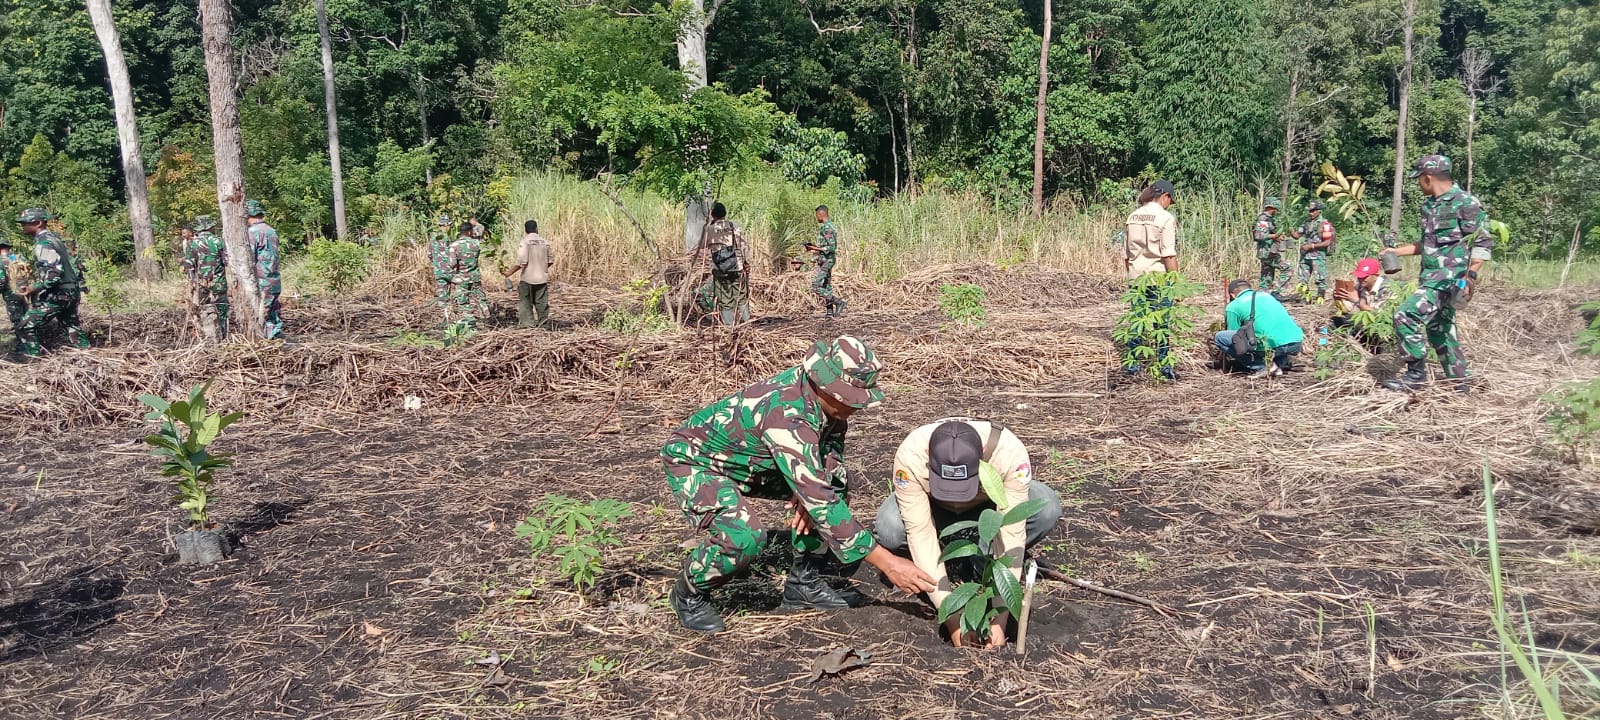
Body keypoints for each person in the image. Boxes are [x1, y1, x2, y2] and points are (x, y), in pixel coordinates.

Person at [662, 336, 936, 633]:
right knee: (743, 535)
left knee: (835, 485)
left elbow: (829, 457)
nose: (854, 407)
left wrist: (808, 491)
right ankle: (689, 593)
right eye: (848, 397)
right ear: (825, 384)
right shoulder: (787, 414)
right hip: (696, 460)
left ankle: (804, 583)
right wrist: (889, 563)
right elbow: (822, 501)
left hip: (756, 462)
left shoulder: (828, 405)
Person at [872, 418, 1062, 648]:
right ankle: (955, 552)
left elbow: (1012, 533)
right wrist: (953, 621)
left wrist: (1000, 620)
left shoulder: (1009, 452)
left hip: (987, 510)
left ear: (982, 456)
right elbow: (920, 533)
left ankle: (978, 550)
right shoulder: (911, 454)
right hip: (935, 511)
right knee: (889, 527)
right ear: (928, 456)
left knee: (1046, 507)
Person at [1382, 154, 1493, 392]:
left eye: (1419, 179)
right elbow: (1426, 244)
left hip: (1450, 280)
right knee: (1440, 330)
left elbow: (1483, 243)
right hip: (1430, 277)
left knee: (1405, 314)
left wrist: (1470, 277)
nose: (1419, 184)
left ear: (1428, 177)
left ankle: (1415, 375)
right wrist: (1395, 251)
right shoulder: (1429, 205)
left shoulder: (1467, 203)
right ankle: (1460, 381)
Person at [1122, 179, 1180, 379]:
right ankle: (1164, 367)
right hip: (1159, 278)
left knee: (1137, 320)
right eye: (1169, 200)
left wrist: (1130, 274)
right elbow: (1169, 255)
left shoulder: (1133, 216)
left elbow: (1127, 254)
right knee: (1162, 323)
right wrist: (1176, 284)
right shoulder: (1165, 218)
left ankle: (1132, 365)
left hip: (1136, 276)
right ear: (1165, 196)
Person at [13, 208, 89, 358]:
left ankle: (33, 362)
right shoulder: (55, 239)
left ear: (38, 223)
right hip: (71, 292)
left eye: (25, 223)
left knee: (24, 326)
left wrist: (32, 288)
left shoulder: (44, 243)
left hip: (58, 295)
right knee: (72, 328)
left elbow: (54, 273)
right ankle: (87, 358)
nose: (23, 226)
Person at [1215, 279, 1305, 378]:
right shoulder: (1267, 296)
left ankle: (1263, 366)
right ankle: (1281, 363)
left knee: (1220, 337)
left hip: (1272, 345)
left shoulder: (1233, 306)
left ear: (1232, 295)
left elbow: (1235, 337)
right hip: (1295, 342)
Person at [696, 202, 750, 326]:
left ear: (712, 215)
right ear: (725, 213)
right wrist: (747, 262)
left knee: (725, 300)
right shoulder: (734, 226)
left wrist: (710, 228)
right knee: (741, 298)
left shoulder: (709, 229)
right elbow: (744, 246)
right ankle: (747, 324)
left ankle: (729, 327)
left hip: (720, 270)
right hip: (737, 267)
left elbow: (702, 245)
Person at [183, 215, 229, 341]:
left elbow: (189, 266)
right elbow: (227, 261)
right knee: (222, 310)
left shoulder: (192, 243)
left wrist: (192, 283)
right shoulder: (219, 241)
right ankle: (223, 336)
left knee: (204, 309)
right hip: (219, 281)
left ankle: (211, 338)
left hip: (202, 283)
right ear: (211, 227)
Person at [502, 219, 554, 328]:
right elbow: (550, 261)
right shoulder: (545, 242)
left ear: (525, 230)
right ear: (536, 229)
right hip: (541, 278)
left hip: (527, 278)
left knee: (526, 302)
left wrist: (509, 273)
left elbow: (522, 262)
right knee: (542, 302)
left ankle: (527, 324)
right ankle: (543, 323)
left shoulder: (524, 242)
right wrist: (541, 268)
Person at [245, 200, 284, 339]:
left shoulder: (252, 233)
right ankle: (276, 334)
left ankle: (267, 340)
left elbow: (249, 258)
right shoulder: (271, 230)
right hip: (274, 278)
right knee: (273, 309)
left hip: (261, 279)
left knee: (262, 313)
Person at [1291, 200, 1336, 299]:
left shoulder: (1325, 224)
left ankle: (1320, 297)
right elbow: (1297, 236)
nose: (1310, 213)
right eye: (1309, 211)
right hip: (1305, 255)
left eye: (1313, 211)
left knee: (1320, 278)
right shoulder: (1306, 222)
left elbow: (1327, 242)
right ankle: (1304, 297)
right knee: (1302, 278)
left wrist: (1312, 246)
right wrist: (1289, 228)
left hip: (1318, 256)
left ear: (1319, 211)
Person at [808, 205, 847, 317]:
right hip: (826, 259)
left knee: (815, 285)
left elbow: (832, 247)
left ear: (821, 214)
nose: (816, 217)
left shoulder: (827, 228)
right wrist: (815, 249)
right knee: (826, 286)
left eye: (816, 215)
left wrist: (815, 248)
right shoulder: (830, 226)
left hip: (827, 261)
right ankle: (829, 312)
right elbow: (826, 246)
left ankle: (839, 302)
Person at [448, 221, 486, 326]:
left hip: (462, 277)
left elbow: (452, 264)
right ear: (470, 232)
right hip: (475, 276)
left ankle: (470, 321)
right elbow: (481, 228)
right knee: (480, 298)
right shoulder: (476, 243)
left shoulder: (454, 245)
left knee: (463, 300)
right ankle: (486, 319)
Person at [1253, 197, 1290, 297]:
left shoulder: (1269, 219)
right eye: (1275, 209)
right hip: (1267, 251)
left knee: (1267, 276)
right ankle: (1277, 292)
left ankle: (1263, 295)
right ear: (1271, 207)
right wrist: (1275, 236)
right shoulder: (1263, 219)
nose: (1276, 211)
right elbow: (1258, 235)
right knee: (1287, 268)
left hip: (1269, 251)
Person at [429, 214, 454, 324]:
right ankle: (455, 317)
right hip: (451, 270)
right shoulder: (450, 239)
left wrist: (437, 264)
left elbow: (429, 254)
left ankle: (445, 318)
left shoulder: (433, 238)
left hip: (439, 270)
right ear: (447, 225)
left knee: (442, 295)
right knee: (458, 293)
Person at [0, 237, 27, 341]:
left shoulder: (1, 262)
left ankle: (24, 345)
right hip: (25, 292)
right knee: (27, 317)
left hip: (11, 295)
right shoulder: (19, 258)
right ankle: (33, 341)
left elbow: (1, 281)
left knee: (17, 320)